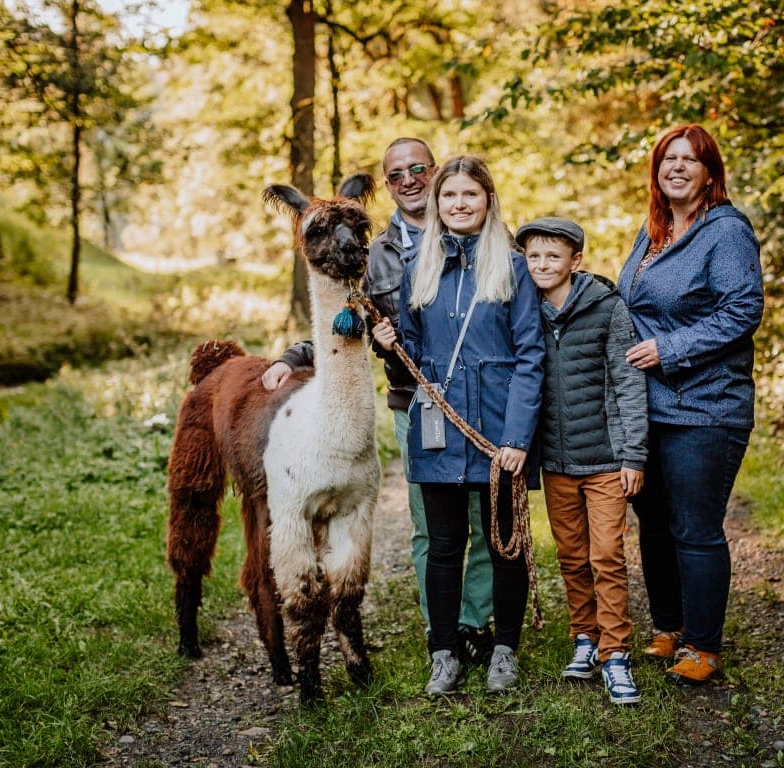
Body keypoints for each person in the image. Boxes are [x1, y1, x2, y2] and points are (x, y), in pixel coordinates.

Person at [261, 138, 495, 664]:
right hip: (417, 402)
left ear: (434, 173)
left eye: (418, 168)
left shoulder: (477, 235)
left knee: (485, 520)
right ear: (387, 186)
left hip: (485, 400)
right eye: (396, 174)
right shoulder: (373, 252)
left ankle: (475, 625)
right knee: (430, 523)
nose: (409, 179)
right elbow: (341, 315)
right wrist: (292, 357)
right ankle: (442, 635)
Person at [372, 155, 544, 695]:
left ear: (488, 199)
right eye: (450, 196)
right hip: (438, 429)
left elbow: (529, 356)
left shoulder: (512, 267)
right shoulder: (420, 267)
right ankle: (443, 651)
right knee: (444, 544)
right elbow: (417, 355)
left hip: (497, 431)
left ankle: (504, 651)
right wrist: (392, 349)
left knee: (503, 544)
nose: (459, 204)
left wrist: (517, 439)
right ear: (439, 205)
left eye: (470, 194)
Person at [617, 124, 764, 685]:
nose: (677, 167)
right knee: (652, 522)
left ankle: (704, 645)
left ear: (709, 173)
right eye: (668, 158)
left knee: (694, 526)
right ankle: (669, 627)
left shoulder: (725, 232)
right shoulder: (653, 230)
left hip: (707, 406)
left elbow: (742, 310)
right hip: (649, 404)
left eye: (690, 159)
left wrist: (669, 349)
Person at [516, 216, 648, 706]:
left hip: (607, 461)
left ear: (576, 260)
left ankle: (616, 654)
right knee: (571, 557)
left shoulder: (607, 309)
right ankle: (585, 637)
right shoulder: (523, 309)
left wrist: (634, 455)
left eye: (554, 256)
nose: (543, 264)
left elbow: (629, 384)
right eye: (534, 256)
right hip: (556, 463)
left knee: (606, 557)